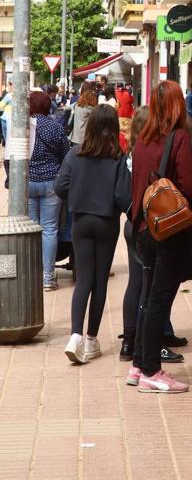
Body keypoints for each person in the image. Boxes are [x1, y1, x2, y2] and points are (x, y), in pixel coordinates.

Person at [127, 80, 192, 394]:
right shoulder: (179, 137)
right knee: (160, 300)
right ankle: (151, 371)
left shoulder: (142, 139)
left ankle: (138, 363)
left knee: (148, 298)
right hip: (168, 232)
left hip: (143, 228)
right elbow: (191, 188)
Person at [55, 105, 131, 363]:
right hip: (106, 222)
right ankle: (91, 340)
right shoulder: (117, 157)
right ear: (112, 129)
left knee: (83, 279)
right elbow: (123, 196)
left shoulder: (75, 153)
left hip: (81, 221)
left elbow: (59, 186)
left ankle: (74, 335)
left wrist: (77, 195)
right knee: (100, 281)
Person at [119, 106, 186, 364]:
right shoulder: (151, 152)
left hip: (135, 224)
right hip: (154, 224)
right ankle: (147, 347)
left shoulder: (133, 151)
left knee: (139, 283)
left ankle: (132, 342)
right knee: (153, 290)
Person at [27, 90, 71, 291]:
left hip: (27, 183)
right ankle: (47, 277)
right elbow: (65, 155)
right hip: (51, 184)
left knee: (31, 229)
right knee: (50, 229)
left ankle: (31, 274)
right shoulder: (55, 128)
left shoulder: (22, 127)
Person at [68, 81, 97, 146]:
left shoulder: (77, 104)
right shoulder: (90, 107)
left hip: (75, 137)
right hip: (85, 139)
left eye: (81, 87)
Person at [0, 81, 13, 146]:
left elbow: (1, 105)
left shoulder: (9, 95)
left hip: (6, 118)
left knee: (7, 140)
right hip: (14, 120)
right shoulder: (24, 97)